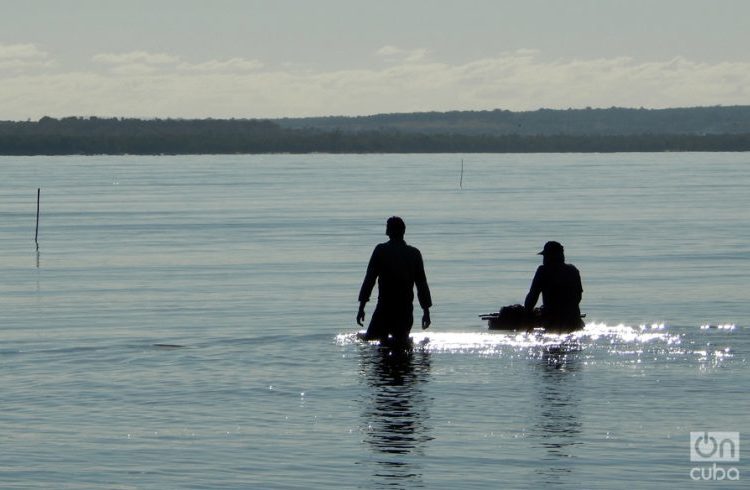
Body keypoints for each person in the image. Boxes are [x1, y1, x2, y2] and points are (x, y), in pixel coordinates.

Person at [357, 216, 432, 344]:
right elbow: (422, 285)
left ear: (388, 232)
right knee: (401, 346)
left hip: (384, 309)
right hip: (405, 310)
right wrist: (426, 312)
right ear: (403, 231)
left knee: (372, 342)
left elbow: (369, 280)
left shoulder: (381, 250)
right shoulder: (414, 254)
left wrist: (361, 307)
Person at [524, 241, 584, 330]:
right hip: (574, 320)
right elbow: (578, 297)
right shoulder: (573, 270)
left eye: (545, 256)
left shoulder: (543, 271)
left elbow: (532, 297)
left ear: (550, 257)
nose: (544, 259)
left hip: (552, 321)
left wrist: (526, 313)